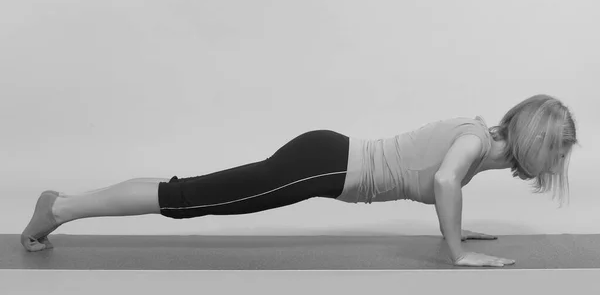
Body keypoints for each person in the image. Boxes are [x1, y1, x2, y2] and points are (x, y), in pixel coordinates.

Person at [20, 94, 578, 268]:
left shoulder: (482, 139)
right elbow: (446, 181)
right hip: (323, 166)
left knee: (188, 191)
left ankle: (64, 204)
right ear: (534, 137)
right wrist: (457, 252)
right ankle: (62, 207)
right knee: (187, 197)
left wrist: (462, 233)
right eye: (557, 149)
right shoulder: (476, 141)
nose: (556, 162)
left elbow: (442, 181)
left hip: (325, 157)